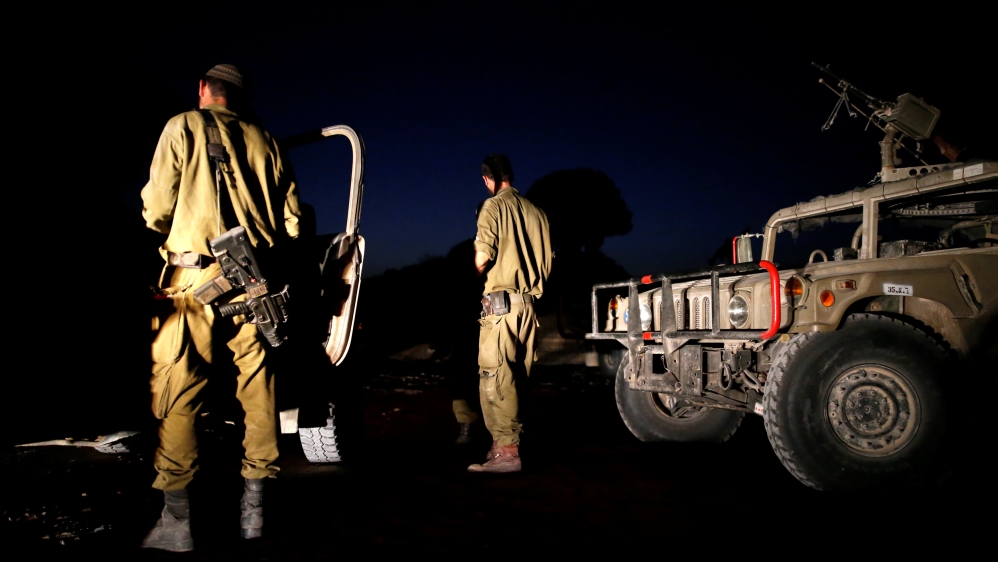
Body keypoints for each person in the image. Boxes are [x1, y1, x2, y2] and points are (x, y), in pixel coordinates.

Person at [139, 64, 301, 551]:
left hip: (195, 281)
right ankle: (255, 513)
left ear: (204, 90)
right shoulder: (268, 141)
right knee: (258, 395)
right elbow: (293, 222)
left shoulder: (182, 125)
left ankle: (177, 522)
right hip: (257, 285)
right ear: (240, 98)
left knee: (180, 390)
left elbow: (156, 208)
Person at [468, 154, 552, 473]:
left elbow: (481, 256)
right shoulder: (538, 213)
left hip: (500, 307)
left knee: (496, 377)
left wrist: (467, 279)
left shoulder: (493, 207)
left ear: (488, 179)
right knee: (517, 378)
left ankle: (507, 453)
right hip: (528, 308)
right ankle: (504, 445)